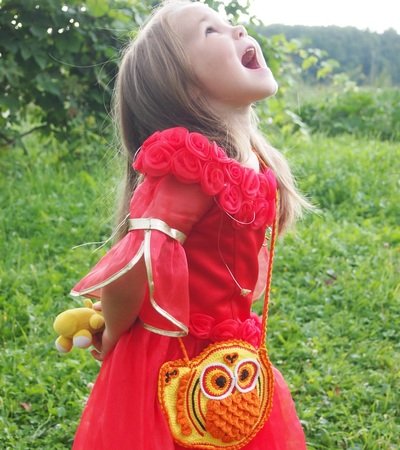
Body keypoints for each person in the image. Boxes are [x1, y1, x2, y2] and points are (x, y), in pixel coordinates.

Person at [69, 1, 310, 448]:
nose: (238, 28)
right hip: (168, 359)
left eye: (227, 21)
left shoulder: (254, 161)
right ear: (185, 88)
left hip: (228, 355)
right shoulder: (190, 165)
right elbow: (137, 266)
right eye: (210, 31)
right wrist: (114, 332)